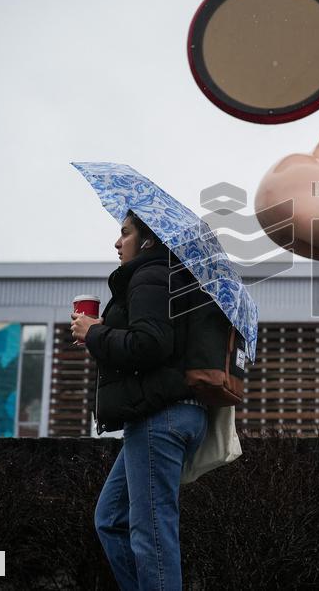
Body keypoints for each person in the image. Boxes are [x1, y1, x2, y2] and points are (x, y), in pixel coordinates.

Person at [71, 209, 223, 591]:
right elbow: (156, 341)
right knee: (111, 518)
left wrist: (95, 334)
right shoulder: (171, 277)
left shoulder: (151, 274)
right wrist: (102, 334)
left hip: (161, 418)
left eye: (125, 234)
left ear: (149, 241)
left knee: (152, 533)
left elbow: (150, 344)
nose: (118, 242)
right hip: (170, 415)